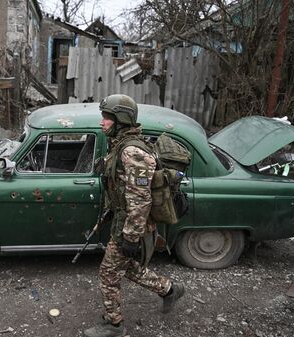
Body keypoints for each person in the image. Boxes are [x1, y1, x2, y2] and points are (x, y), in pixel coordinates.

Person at [84, 94, 185, 337]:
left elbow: (140, 200)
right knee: (127, 268)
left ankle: (113, 325)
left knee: (108, 273)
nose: (102, 122)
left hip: (132, 224)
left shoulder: (132, 152)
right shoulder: (121, 145)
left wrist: (130, 237)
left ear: (120, 120)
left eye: (107, 118)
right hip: (124, 219)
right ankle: (170, 289)